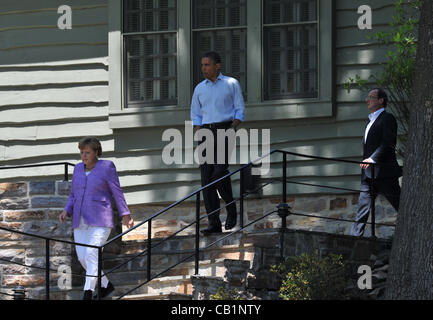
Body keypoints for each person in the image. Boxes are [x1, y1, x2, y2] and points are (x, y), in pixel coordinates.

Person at [59, 137, 134, 299]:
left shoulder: (106, 167)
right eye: (81, 152)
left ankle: (88, 293)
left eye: (87, 152)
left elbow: (117, 192)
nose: (83, 156)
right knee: (83, 258)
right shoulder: (78, 169)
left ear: (96, 152)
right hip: (80, 220)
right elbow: (73, 194)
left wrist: (126, 215)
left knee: (92, 253)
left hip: (100, 219)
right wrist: (67, 210)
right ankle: (106, 285)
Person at [190, 51, 246, 235]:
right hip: (205, 131)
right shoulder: (199, 88)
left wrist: (233, 127)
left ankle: (231, 210)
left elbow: (240, 109)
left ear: (217, 66)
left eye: (207, 65)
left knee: (219, 172)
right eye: (202, 65)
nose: (203, 68)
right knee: (207, 180)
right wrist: (198, 130)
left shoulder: (231, 84)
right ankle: (214, 223)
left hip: (225, 129)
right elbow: (196, 113)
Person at [350, 88, 402, 236]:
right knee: (362, 207)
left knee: (401, 206)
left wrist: (372, 159)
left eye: (371, 97)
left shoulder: (388, 118)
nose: (367, 100)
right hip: (368, 174)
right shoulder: (369, 122)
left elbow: (388, 143)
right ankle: (354, 237)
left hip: (384, 172)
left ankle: (418, 230)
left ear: (381, 101)